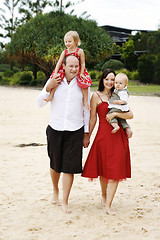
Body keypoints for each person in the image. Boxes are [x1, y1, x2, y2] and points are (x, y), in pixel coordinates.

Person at [37, 55, 90, 213]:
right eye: (71, 66)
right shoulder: (54, 80)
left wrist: (86, 133)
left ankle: (65, 201)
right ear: (64, 66)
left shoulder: (83, 84)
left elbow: (86, 110)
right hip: (55, 128)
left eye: (76, 66)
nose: (74, 69)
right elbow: (39, 103)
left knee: (70, 167)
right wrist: (48, 87)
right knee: (55, 165)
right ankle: (55, 191)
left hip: (75, 130)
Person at [82, 69, 133, 215]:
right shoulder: (96, 96)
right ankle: (104, 197)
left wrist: (116, 113)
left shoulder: (119, 94)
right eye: (107, 79)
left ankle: (108, 205)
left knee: (115, 171)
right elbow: (92, 119)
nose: (110, 82)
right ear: (102, 80)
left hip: (118, 137)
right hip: (103, 137)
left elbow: (130, 114)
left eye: (113, 80)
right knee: (104, 171)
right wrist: (87, 136)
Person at [44, 30, 92, 110]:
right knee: (57, 79)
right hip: (65, 69)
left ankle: (85, 100)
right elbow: (59, 62)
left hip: (78, 69)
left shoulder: (80, 51)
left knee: (84, 82)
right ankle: (51, 95)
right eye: (65, 42)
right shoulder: (65, 52)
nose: (67, 43)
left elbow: (83, 63)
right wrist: (55, 72)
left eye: (69, 41)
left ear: (76, 41)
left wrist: (82, 73)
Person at [107, 72, 131, 137]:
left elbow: (124, 100)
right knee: (122, 120)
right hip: (121, 108)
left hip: (118, 107)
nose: (117, 85)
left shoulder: (122, 92)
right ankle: (128, 128)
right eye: (116, 83)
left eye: (120, 83)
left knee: (111, 115)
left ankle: (115, 125)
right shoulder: (117, 90)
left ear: (125, 85)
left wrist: (117, 102)